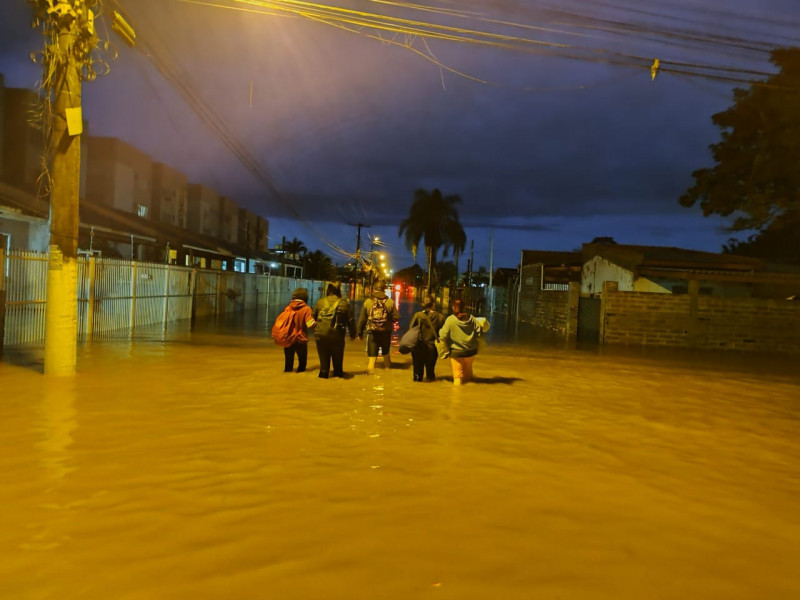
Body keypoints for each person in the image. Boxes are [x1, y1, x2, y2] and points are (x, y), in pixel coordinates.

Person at [438, 298, 490, 385]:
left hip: (456, 352)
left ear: (453, 308)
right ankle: (468, 393)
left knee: (457, 376)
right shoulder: (472, 318)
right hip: (471, 351)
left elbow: (442, 335)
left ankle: (457, 396)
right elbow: (479, 332)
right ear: (464, 307)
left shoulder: (451, 320)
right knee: (468, 375)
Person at [312, 282, 356, 378]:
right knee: (338, 369)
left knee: (323, 369)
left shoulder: (320, 302)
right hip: (337, 337)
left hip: (321, 337)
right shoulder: (344, 303)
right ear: (338, 291)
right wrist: (353, 335)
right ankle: (337, 384)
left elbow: (312, 318)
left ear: (328, 290)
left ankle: (322, 381)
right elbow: (351, 321)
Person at [357, 282, 400, 372]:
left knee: (372, 359)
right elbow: (397, 317)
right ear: (384, 290)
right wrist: (387, 321)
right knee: (386, 354)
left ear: (374, 289)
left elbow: (362, 320)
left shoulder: (368, 301)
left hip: (372, 331)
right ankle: (388, 374)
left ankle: (371, 377)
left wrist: (359, 333)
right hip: (386, 331)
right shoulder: (390, 302)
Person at [408, 295, 446, 382]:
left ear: (423, 304)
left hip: (418, 348)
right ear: (433, 304)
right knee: (430, 373)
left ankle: (417, 388)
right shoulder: (440, 317)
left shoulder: (417, 315)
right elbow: (444, 334)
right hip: (432, 349)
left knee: (417, 374)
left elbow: (411, 332)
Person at [280, 287, 316, 373]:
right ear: (305, 297)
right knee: (302, 367)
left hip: (288, 339)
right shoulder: (306, 309)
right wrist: (318, 323)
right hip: (300, 339)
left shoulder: (288, 308)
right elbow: (310, 325)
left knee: (288, 367)